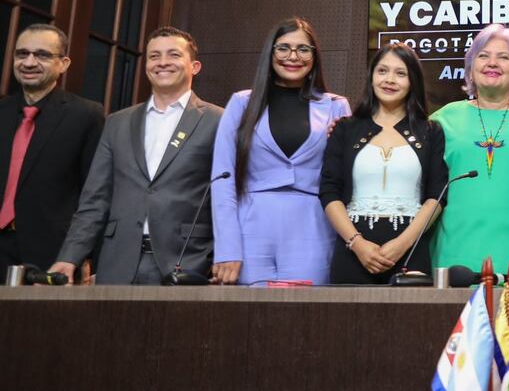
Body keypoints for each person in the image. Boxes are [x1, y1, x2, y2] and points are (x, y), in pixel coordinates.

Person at [50, 28, 223, 284]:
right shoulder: (117, 122)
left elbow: (228, 198)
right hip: (117, 259)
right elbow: (95, 199)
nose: (162, 62)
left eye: (173, 54)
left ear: (194, 66)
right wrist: (70, 256)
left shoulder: (218, 120)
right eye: (154, 56)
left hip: (188, 261)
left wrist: (223, 257)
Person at [210, 18, 350, 285]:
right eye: (283, 48)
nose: (293, 57)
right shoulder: (242, 104)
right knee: (250, 319)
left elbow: (343, 180)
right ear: (270, 53)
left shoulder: (335, 107)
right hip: (250, 229)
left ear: (314, 56)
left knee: (307, 319)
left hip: (314, 227)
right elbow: (222, 180)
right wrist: (227, 247)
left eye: (303, 49)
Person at [320, 44, 447, 284]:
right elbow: (329, 190)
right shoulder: (346, 128)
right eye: (382, 71)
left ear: (413, 82)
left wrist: (403, 243)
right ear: (371, 76)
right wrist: (357, 244)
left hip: (411, 253)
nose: (390, 80)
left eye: (400, 73)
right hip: (352, 253)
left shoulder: (430, 131)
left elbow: (437, 195)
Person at [430, 24, 509, 286]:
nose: (492, 63)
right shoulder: (441, 119)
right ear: (469, 69)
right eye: (483, 56)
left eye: (504, 57)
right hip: (454, 255)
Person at [0, 24, 103, 274]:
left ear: (64, 63)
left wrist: (84, 255)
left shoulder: (86, 115)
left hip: (53, 254)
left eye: (42, 55)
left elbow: (95, 193)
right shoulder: (1, 111)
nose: (29, 61)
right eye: (22, 54)